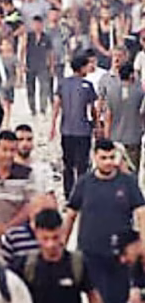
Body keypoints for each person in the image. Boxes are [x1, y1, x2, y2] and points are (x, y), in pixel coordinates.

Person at [64, 138, 145, 303]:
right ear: (95, 157)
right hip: (90, 254)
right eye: (103, 158)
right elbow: (70, 215)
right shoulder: (84, 183)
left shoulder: (128, 182)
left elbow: (141, 213)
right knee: (96, 302)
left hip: (121, 256)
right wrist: (63, 246)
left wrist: (142, 244)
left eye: (111, 157)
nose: (108, 162)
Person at [51, 54, 98, 200]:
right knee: (82, 165)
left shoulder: (63, 84)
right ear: (82, 67)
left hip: (66, 130)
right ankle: (82, 193)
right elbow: (92, 109)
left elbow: (56, 105)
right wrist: (96, 126)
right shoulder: (87, 86)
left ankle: (68, 194)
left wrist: (52, 125)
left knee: (68, 164)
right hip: (83, 131)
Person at [104, 63, 145, 175]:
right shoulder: (139, 93)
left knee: (115, 171)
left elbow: (108, 116)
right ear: (132, 75)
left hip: (115, 137)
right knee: (132, 170)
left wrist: (106, 137)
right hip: (133, 137)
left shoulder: (111, 91)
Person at [24, 15, 54, 116]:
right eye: (35, 24)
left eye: (39, 24)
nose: (37, 26)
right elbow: (23, 50)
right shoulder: (28, 36)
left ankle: (43, 109)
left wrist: (51, 66)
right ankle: (32, 108)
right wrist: (22, 64)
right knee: (30, 88)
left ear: (42, 25)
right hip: (30, 65)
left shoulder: (46, 37)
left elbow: (50, 53)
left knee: (44, 87)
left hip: (43, 66)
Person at [15, 124, 55, 195]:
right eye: (20, 140)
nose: (25, 143)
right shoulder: (7, 168)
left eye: (29, 139)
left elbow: (50, 196)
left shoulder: (43, 168)